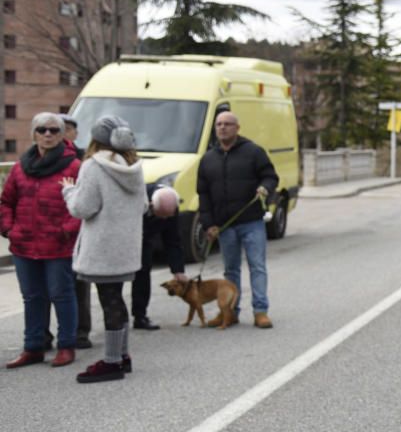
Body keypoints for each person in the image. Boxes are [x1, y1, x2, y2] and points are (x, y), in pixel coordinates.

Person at [61, 115, 146, 383]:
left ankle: (112, 362)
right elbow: (143, 206)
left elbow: (82, 208)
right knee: (117, 299)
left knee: (109, 301)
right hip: (126, 247)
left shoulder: (93, 166)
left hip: (102, 248)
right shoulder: (134, 166)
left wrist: (68, 192)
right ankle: (122, 355)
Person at [1, 113, 81, 369]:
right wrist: (8, 229)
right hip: (23, 245)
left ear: (62, 135)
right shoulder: (20, 167)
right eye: (42, 130)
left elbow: (82, 206)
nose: (48, 134)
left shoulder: (74, 167)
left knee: (62, 295)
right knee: (32, 297)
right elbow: (6, 201)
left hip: (58, 246)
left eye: (54, 130)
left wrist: (66, 230)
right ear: (33, 134)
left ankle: (66, 346)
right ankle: (33, 348)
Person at [197, 111, 278, 329]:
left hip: (251, 221)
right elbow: (203, 194)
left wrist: (265, 188)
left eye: (227, 124)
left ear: (237, 128)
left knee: (257, 266)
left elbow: (270, 176)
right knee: (230, 270)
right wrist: (209, 224)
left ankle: (260, 311)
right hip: (225, 225)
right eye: (219, 124)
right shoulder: (207, 159)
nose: (222, 128)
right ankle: (230, 312)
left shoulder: (253, 152)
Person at [56, 113, 93, 349]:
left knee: (79, 286)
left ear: (74, 133)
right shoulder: (32, 160)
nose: (57, 133)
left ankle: (81, 332)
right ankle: (48, 334)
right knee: (51, 289)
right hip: (47, 234)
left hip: (76, 233)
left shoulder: (84, 161)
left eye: (65, 128)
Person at [132, 185, 188, 330]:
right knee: (117, 279)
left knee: (143, 273)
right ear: (151, 205)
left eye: (168, 216)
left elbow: (173, 240)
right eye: (161, 215)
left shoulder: (171, 205)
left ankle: (140, 316)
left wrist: (178, 270)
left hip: (147, 239)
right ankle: (117, 318)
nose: (165, 219)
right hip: (129, 235)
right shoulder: (138, 197)